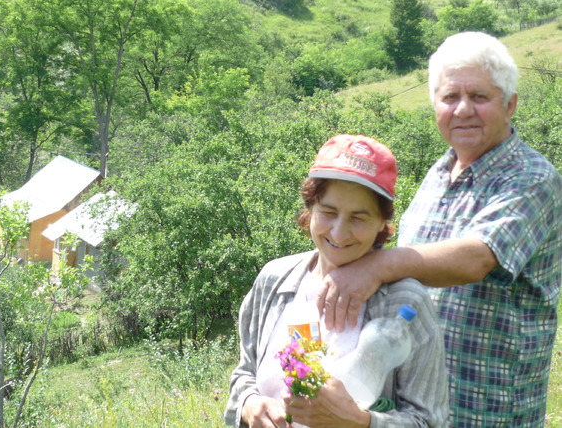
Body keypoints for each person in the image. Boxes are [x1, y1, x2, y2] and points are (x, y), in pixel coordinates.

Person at [317, 32, 562, 426]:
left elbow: (477, 258)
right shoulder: (437, 173)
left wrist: (377, 265)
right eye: (450, 97)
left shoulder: (532, 179)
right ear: (435, 105)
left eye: (479, 97)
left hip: (487, 407)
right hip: (416, 408)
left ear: (510, 103)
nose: (463, 109)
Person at [224, 134, 448, 428]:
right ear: (310, 208)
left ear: (382, 222)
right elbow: (244, 375)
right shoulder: (274, 281)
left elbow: (429, 421)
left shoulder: (405, 303)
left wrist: (359, 421)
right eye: (329, 212)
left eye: (359, 218)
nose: (339, 233)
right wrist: (250, 404)